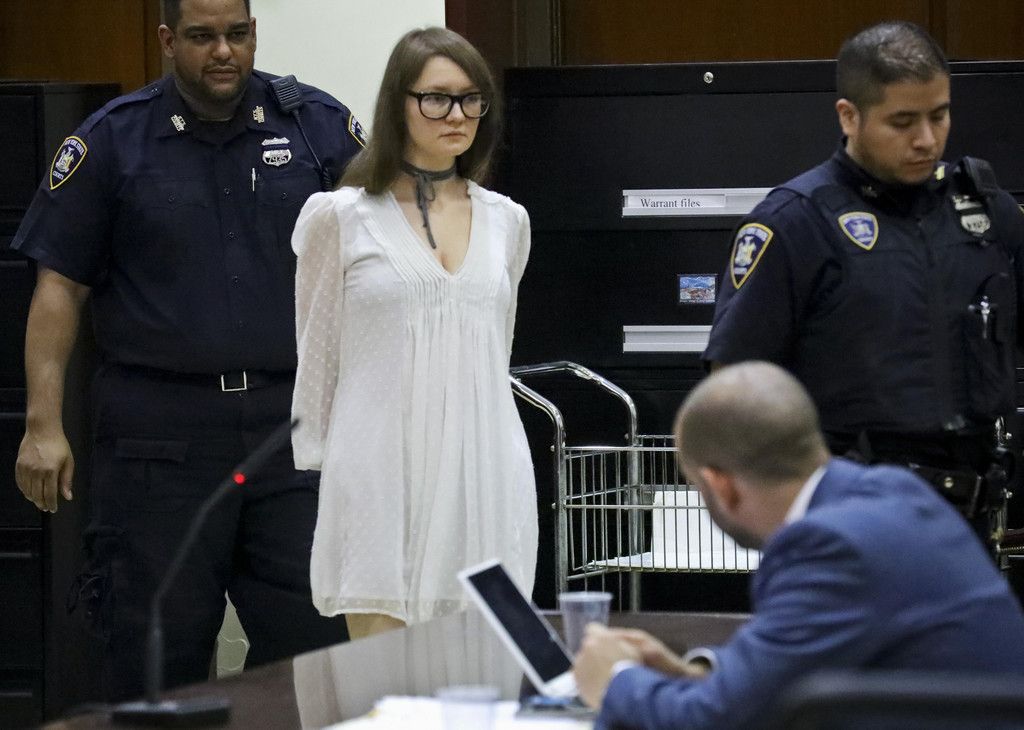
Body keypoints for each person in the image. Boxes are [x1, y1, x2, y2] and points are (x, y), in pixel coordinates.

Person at [10, 0, 363, 699]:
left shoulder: (315, 126)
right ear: (169, 41)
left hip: (290, 433)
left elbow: (380, 257)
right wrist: (42, 424)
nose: (223, 51)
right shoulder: (113, 140)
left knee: (312, 649)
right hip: (160, 441)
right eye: (202, 37)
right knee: (153, 654)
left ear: (255, 34)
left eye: (236, 34)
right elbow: (59, 289)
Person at [703, 21, 1024, 542]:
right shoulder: (796, 223)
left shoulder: (985, 215)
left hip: (969, 523)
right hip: (846, 523)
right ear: (849, 116)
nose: (926, 139)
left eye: (939, 115)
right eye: (902, 122)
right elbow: (735, 389)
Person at [573, 361, 1024, 730]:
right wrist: (694, 674)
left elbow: (717, 723)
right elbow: (784, 673)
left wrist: (615, 681)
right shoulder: (894, 489)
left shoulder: (826, 545)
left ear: (720, 486)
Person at [290, 26, 537, 640]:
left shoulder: (507, 221)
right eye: (436, 98)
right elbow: (316, 357)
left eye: (471, 99)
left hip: (484, 471)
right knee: (385, 678)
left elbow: (495, 355)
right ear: (397, 103)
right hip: (379, 473)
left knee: (483, 673)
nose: (457, 114)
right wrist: (320, 464)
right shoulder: (340, 218)